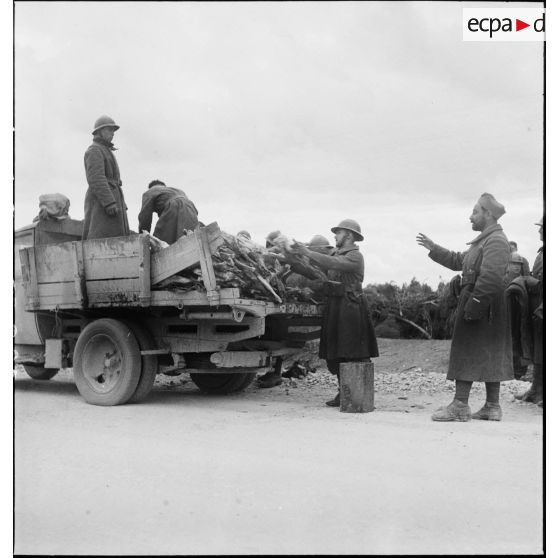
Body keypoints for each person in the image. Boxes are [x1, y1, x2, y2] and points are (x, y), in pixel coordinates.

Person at [416, 193, 513, 422]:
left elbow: (491, 278)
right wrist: (434, 248)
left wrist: (474, 306)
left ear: (488, 214)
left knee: (466, 350)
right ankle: (492, 406)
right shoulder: (484, 241)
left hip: (484, 303)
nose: (470, 217)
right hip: (485, 304)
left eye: (475, 212)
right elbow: (459, 260)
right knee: (489, 352)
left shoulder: (496, 241)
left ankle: (460, 405)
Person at [292, 219, 379, 407]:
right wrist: (293, 258)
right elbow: (317, 267)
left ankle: (358, 395)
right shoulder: (337, 253)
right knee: (336, 352)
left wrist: (307, 252)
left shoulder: (355, 256)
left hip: (351, 307)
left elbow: (332, 262)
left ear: (348, 235)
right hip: (336, 305)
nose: (335, 236)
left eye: (338, 233)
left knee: (354, 351)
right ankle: (344, 392)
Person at [257, 234, 332, 389]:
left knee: (275, 333)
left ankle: (275, 372)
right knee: (276, 334)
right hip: (297, 308)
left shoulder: (316, 268)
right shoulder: (305, 267)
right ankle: (275, 371)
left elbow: (313, 286)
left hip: (298, 311)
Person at [83, 115, 130, 240]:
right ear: (99, 132)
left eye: (113, 130)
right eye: (109, 130)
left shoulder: (105, 150)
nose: (113, 133)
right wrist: (109, 202)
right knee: (101, 240)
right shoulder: (94, 150)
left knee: (116, 240)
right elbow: (96, 178)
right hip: (102, 204)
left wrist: (120, 202)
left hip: (112, 201)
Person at [514, 217, 544, 406]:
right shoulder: (543, 251)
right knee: (540, 349)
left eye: (542, 228)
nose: (539, 231)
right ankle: (537, 389)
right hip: (538, 307)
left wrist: (529, 281)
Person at [138, 180, 199, 244]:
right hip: (191, 209)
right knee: (190, 238)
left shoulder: (150, 192)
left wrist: (143, 237)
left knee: (161, 241)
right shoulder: (177, 190)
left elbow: (145, 216)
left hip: (173, 207)